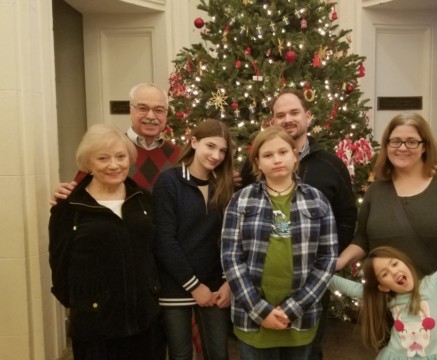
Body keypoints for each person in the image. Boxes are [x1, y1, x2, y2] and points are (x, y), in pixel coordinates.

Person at [336, 113, 437, 354]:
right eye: (395, 141)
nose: (402, 148)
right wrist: (337, 263)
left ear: (425, 146)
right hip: (404, 306)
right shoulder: (377, 191)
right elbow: (363, 240)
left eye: (411, 141)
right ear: (387, 144)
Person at [240, 88, 357, 359]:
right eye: (280, 114)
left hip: (311, 279)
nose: (288, 119)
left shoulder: (331, 165)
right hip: (260, 284)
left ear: (308, 115)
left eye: (294, 112)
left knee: (308, 348)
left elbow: (347, 215)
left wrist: (326, 262)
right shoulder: (251, 170)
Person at [330, 194, 437, 359]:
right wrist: (319, 276)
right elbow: (351, 288)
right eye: (385, 274)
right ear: (383, 286)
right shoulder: (387, 297)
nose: (394, 272)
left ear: (405, 263)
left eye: (395, 264)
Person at [221, 126, 338, 360]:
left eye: (283, 152)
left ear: (295, 156)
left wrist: (293, 308)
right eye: (267, 155)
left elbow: (327, 259)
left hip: (299, 319)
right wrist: (260, 310)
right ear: (257, 163)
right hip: (252, 319)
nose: (276, 159)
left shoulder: (317, 200)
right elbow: (231, 257)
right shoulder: (241, 200)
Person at [48, 124, 160, 360]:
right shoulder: (69, 207)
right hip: (95, 327)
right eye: (103, 158)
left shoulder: (143, 200)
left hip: (144, 320)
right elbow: (59, 267)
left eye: (120, 157)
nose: (114, 165)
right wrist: (87, 303)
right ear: (88, 163)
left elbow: (154, 253)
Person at [153, 119, 235, 360]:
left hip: (214, 287)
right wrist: (193, 286)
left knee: (219, 354)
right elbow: (164, 240)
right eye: (210, 146)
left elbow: (229, 239)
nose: (216, 155)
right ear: (194, 142)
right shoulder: (169, 182)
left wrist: (227, 283)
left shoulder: (223, 186)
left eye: (222, 150)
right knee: (180, 355)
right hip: (176, 285)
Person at [51, 82, 181, 199]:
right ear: (130, 110)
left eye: (158, 110)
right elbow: (78, 192)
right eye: (143, 108)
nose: (151, 116)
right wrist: (64, 194)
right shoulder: (105, 150)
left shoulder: (179, 155)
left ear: (166, 114)